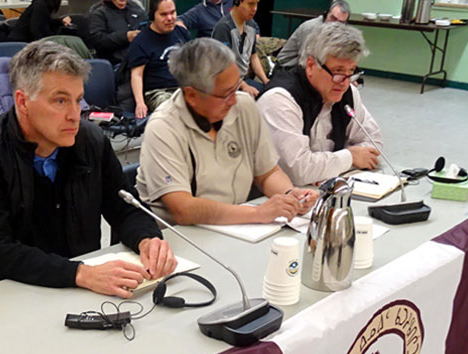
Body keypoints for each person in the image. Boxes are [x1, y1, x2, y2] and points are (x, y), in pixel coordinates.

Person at [0, 41, 177, 297]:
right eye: (60, 101)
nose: (74, 115)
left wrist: (147, 239)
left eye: (78, 100)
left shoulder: (91, 141)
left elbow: (124, 207)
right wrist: (80, 273)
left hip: (72, 284)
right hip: (2, 287)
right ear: (22, 102)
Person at [137, 38, 318, 226]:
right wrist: (257, 213)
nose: (234, 100)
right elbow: (183, 209)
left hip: (234, 226)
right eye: (226, 94)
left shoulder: (244, 106)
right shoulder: (163, 127)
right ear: (191, 95)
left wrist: (289, 196)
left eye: (236, 87)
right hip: (180, 235)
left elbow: (267, 172)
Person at [257, 21, 381, 185]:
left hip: (323, 190)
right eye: (338, 72)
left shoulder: (347, 92)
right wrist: (350, 157)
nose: (344, 83)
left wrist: (328, 167)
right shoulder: (280, 99)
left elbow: (374, 144)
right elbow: (297, 171)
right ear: (310, 65)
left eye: (351, 72)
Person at [129, 0, 191, 119]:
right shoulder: (141, 41)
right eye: (164, 14)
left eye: (172, 13)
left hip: (183, 87)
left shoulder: (181, 33)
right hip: (157, 92)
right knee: (175, 110)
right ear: (152, 16)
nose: (170, 18)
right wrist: (140, 103)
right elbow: (137, 75)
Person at [210, 0, 268, 97]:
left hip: (243, 80)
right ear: (237, 2)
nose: (255, 8)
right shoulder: (223, 28)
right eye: (251, 4)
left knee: (269, 93)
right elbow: (223, 67)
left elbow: (253, 57)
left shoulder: (251, 25)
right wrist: (244, 86)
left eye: (257, 3)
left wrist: (266, 80)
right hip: (223, 82)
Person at [275, 0, 349, 71]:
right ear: (326, 14)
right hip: (286, 68)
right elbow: (304, 63)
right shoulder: (310, 29)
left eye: (340, 22)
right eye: (333, 18)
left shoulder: (337, 31)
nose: (335, 24)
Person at [88, 0, 148, 65]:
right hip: (118, 63)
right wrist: (126, 37)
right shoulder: (99, 13)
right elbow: (98, 41)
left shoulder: (136, 9)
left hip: (144, 59)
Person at [7, 0, 72, 42]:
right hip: (21, 45)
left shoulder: (42, 4)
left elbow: (44, 22)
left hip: (25, 43)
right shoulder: (41, 5)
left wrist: (60, 21)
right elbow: (38, 33)